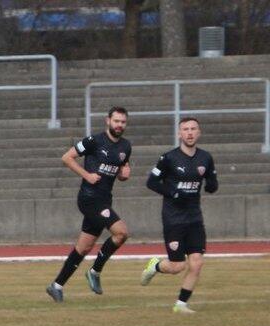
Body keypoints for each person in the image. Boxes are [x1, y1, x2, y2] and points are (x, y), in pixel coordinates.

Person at [47, 107, 132, 302]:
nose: (119, 125)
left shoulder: (126, 146)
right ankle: (94, 271)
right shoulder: (94, 141)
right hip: (89, 198)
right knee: (121, 233)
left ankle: (56, 286)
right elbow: (66, 157)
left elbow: (121, 172)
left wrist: (123, 176)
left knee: (84, 247)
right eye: (116, 121)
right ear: (108, 121)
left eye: (123, 122)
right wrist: (87, 175)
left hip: (104, 200)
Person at [140, 117, 217, 314]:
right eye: (185, 129)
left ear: (199, 132)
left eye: (193, 129)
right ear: (179, 134)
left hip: (194, 218)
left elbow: (211, 180)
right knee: (177, 266)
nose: (189, 133)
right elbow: (151, 182)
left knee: (197, 263)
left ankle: (181, 304)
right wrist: (173, 193)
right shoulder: (168, 158)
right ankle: (155, 266)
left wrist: (212, 184)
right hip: (173, 218)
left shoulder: (206, 158)